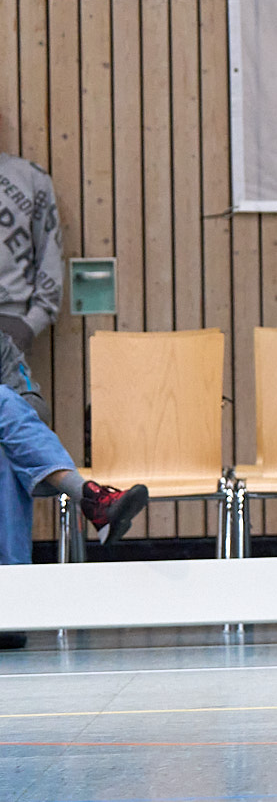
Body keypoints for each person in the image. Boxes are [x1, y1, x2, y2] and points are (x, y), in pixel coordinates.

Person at [1, 382, 146, 647]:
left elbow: (34, 405)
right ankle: (90, 498)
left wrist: (13, 418)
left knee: (4, 453)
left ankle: (10, 604)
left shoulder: (5, 356)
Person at [0, 144, 62, 426]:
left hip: (10, 322)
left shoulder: (30, 178)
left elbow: (50, 257)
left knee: (22, 425)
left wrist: (28, 325)